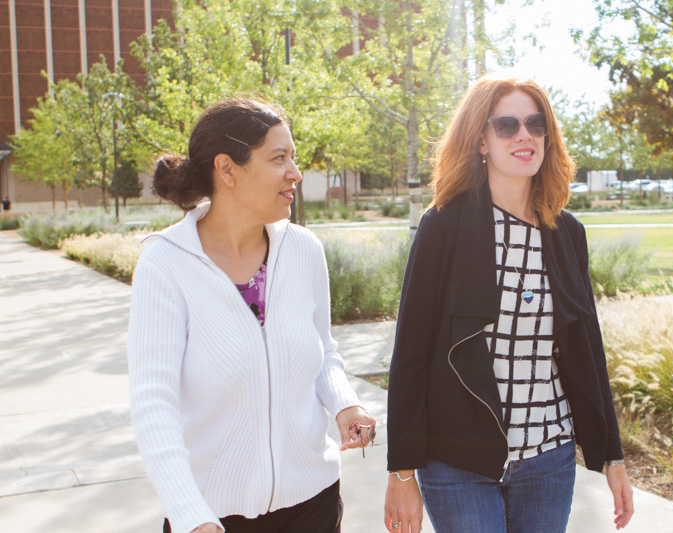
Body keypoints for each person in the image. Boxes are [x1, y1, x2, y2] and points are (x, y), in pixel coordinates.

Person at [384, 75, 634, 533]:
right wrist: (401, 471)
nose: (525, 135)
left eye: (536, 124)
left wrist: (611, 455)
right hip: (458, 462)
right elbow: (411, 354)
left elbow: (586, 349)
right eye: (507, 125)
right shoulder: (443, 225)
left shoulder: (566, 233)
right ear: (481, 139)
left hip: (549, 459)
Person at [127, 98, 376, 533]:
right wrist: (190, 514)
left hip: (312, 503)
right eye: (279, 158)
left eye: (293, 158)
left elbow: (324, 353)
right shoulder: (165, 263)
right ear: (227, 170)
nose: (294, 173)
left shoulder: (303, 249)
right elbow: (154, 405)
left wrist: (345, 405)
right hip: (211, 516)